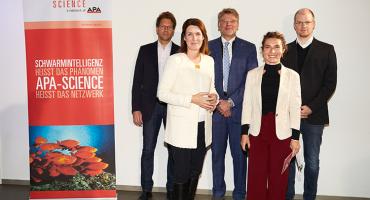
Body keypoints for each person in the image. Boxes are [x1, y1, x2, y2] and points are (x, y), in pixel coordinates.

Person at [157, 18, 218, 200]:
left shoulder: (209, 61)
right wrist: (192, 99)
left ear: (203, 37)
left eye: (198, 34)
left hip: (202, 127)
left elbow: (211, 87)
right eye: (189, 34)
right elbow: (162, 94)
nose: (194, 38)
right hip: (181, 129)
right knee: (181, 174)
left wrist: (214, 97)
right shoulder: (176, 60)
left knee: (194, 172)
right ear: (184, 38)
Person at [282, 8, 337, 200]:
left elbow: (330, 84)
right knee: (287, 160)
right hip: (288, 116)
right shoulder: (284, 50)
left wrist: (311, 107)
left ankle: (309, 197)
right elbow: (281, 84)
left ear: (314, 24)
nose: (303, 26)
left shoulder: (327, 49)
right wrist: (292, 109)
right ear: (294, 25)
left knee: (312, 162)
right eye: (299, 22)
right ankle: (287, 196)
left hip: (315, 116)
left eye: (307, 22)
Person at [240, 31, 302, 200]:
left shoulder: (292, 76)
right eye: (268, 47)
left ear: (283, 50)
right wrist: (244, 133)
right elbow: (247, 105)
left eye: (276, 47)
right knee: (256, 176)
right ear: (262, 50)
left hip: (282, 133)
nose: (272, 51)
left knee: (278, 178)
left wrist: (295, 138)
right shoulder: (252, 74)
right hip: (257, 131)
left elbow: (295, 108)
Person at [208, 8, 258, 200]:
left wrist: (230, 102)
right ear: (219, 24)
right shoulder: (208, 46)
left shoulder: (249, 47)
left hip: (239, 113)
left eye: (232, 21)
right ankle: (218, 193)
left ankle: (239, 194)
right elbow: (206, 78)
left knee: (240, 158)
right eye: (224, 21)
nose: (228, 24)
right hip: (215, 112)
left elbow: (251, 80)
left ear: (237, 24)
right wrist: (220, 102)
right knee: (217, 156)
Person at [131, 11, 179, 200]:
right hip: (149, 107)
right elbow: (137, 82)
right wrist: (136, 108)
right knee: (148, 149)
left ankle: (172, 188)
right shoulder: (145, 50)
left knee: (174, 151)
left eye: (169, 26)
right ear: (157, 28)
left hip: (173, 107)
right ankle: (146, 189)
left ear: (174, 30)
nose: (166, 29)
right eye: (162, 26)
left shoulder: (180, 51)